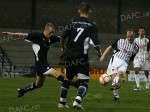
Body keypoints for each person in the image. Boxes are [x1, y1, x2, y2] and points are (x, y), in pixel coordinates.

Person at [2, 23, 77, 97]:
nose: (51, 34)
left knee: (38, 85)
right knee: (57, 75)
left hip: (42, 64)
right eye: (50, 32)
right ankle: (75, 84)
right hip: (41, 65)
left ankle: (22, 91)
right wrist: (10, 33)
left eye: (53, 32)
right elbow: (23, 34)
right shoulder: (37, 36)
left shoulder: (51, 39)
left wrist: (71, 41)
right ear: (45, 30)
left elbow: (62, 38)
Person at [58, 2, 102, 110]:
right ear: (90, 11)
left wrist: (63, 48)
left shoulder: (72, 22)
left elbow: (62, 38)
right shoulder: (92, 25)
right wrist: (99, 52)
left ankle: (61, 102)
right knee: (84, 81)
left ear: (78, 11)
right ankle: (77, 101)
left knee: (68, 78)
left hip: (69, 54)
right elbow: (96, 43)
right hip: (81, 55)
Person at [100, 29, 139, 102]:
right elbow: (109, 47)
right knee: (114, 78)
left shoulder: (136, 47)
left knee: (119, 74)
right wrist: (103, 56)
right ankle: (116, 96)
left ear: (134, 35)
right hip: (116, 60)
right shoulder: (120, 41)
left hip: (125, 63)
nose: (130, 38)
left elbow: (131, 59)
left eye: (131, 37)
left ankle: (114, 85)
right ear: (126, 36)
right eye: (128, 36)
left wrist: (127, 68)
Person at [133, 27, 150, 92]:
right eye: (140, 31)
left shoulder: (147, 40)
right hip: (137, 58)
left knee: (146, 72)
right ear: (138, 32)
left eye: (142, 31)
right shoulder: (135, 40)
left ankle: (147, 87)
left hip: (145, 58)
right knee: (136, 69)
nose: (141, 32)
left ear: (144, 32)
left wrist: (148, 56)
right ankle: (137, 86)